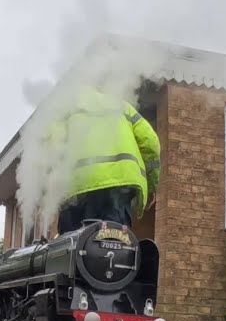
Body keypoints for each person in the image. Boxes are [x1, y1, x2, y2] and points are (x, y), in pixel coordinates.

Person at [46, 82, 161, 235]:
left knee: (72, 246)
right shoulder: (123, 107)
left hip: (77, 188)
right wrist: (152, 185)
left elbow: (51, 152)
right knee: (115, 241)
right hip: (119, 185)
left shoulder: (64, 113)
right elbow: (150, 142)